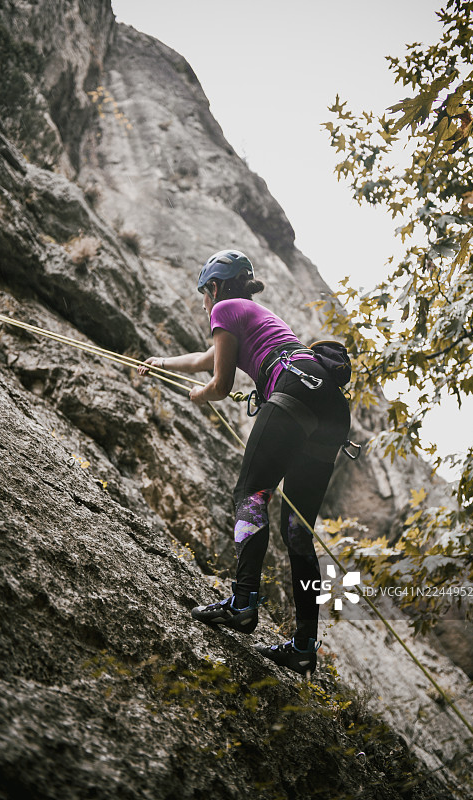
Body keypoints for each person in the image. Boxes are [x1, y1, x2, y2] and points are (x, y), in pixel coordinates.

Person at [139, 250, 350, 676]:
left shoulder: (225, 308)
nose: (204, 303)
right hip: (329, 407)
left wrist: (198, 395)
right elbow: (206, 359)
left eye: (204, 292)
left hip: (292, 388)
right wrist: (160, 364)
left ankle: (242, 602)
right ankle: (305, 647)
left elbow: (218, 383)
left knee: (250, 494)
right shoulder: (252, 314)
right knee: (298, 531)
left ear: (215, 286)